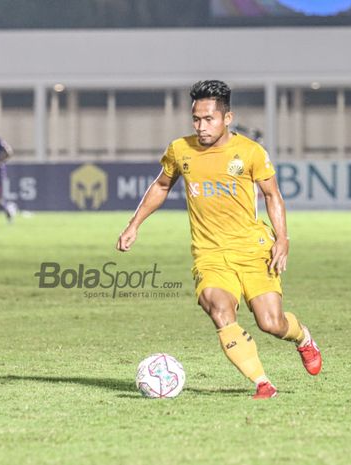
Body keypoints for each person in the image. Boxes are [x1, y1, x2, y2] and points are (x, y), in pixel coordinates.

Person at [116, 80, 322, 399]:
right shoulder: (179, 150)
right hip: (209, 254)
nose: (201, 126)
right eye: (196, 119)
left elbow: (272, 194)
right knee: (219, 309)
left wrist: (283, 238)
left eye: (208, 119)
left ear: (227, 118)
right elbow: (160, 186)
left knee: (271, 322)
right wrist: (134, 224)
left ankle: (303, 337)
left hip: (253, 250)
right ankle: (262, 382)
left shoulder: (250, 152)